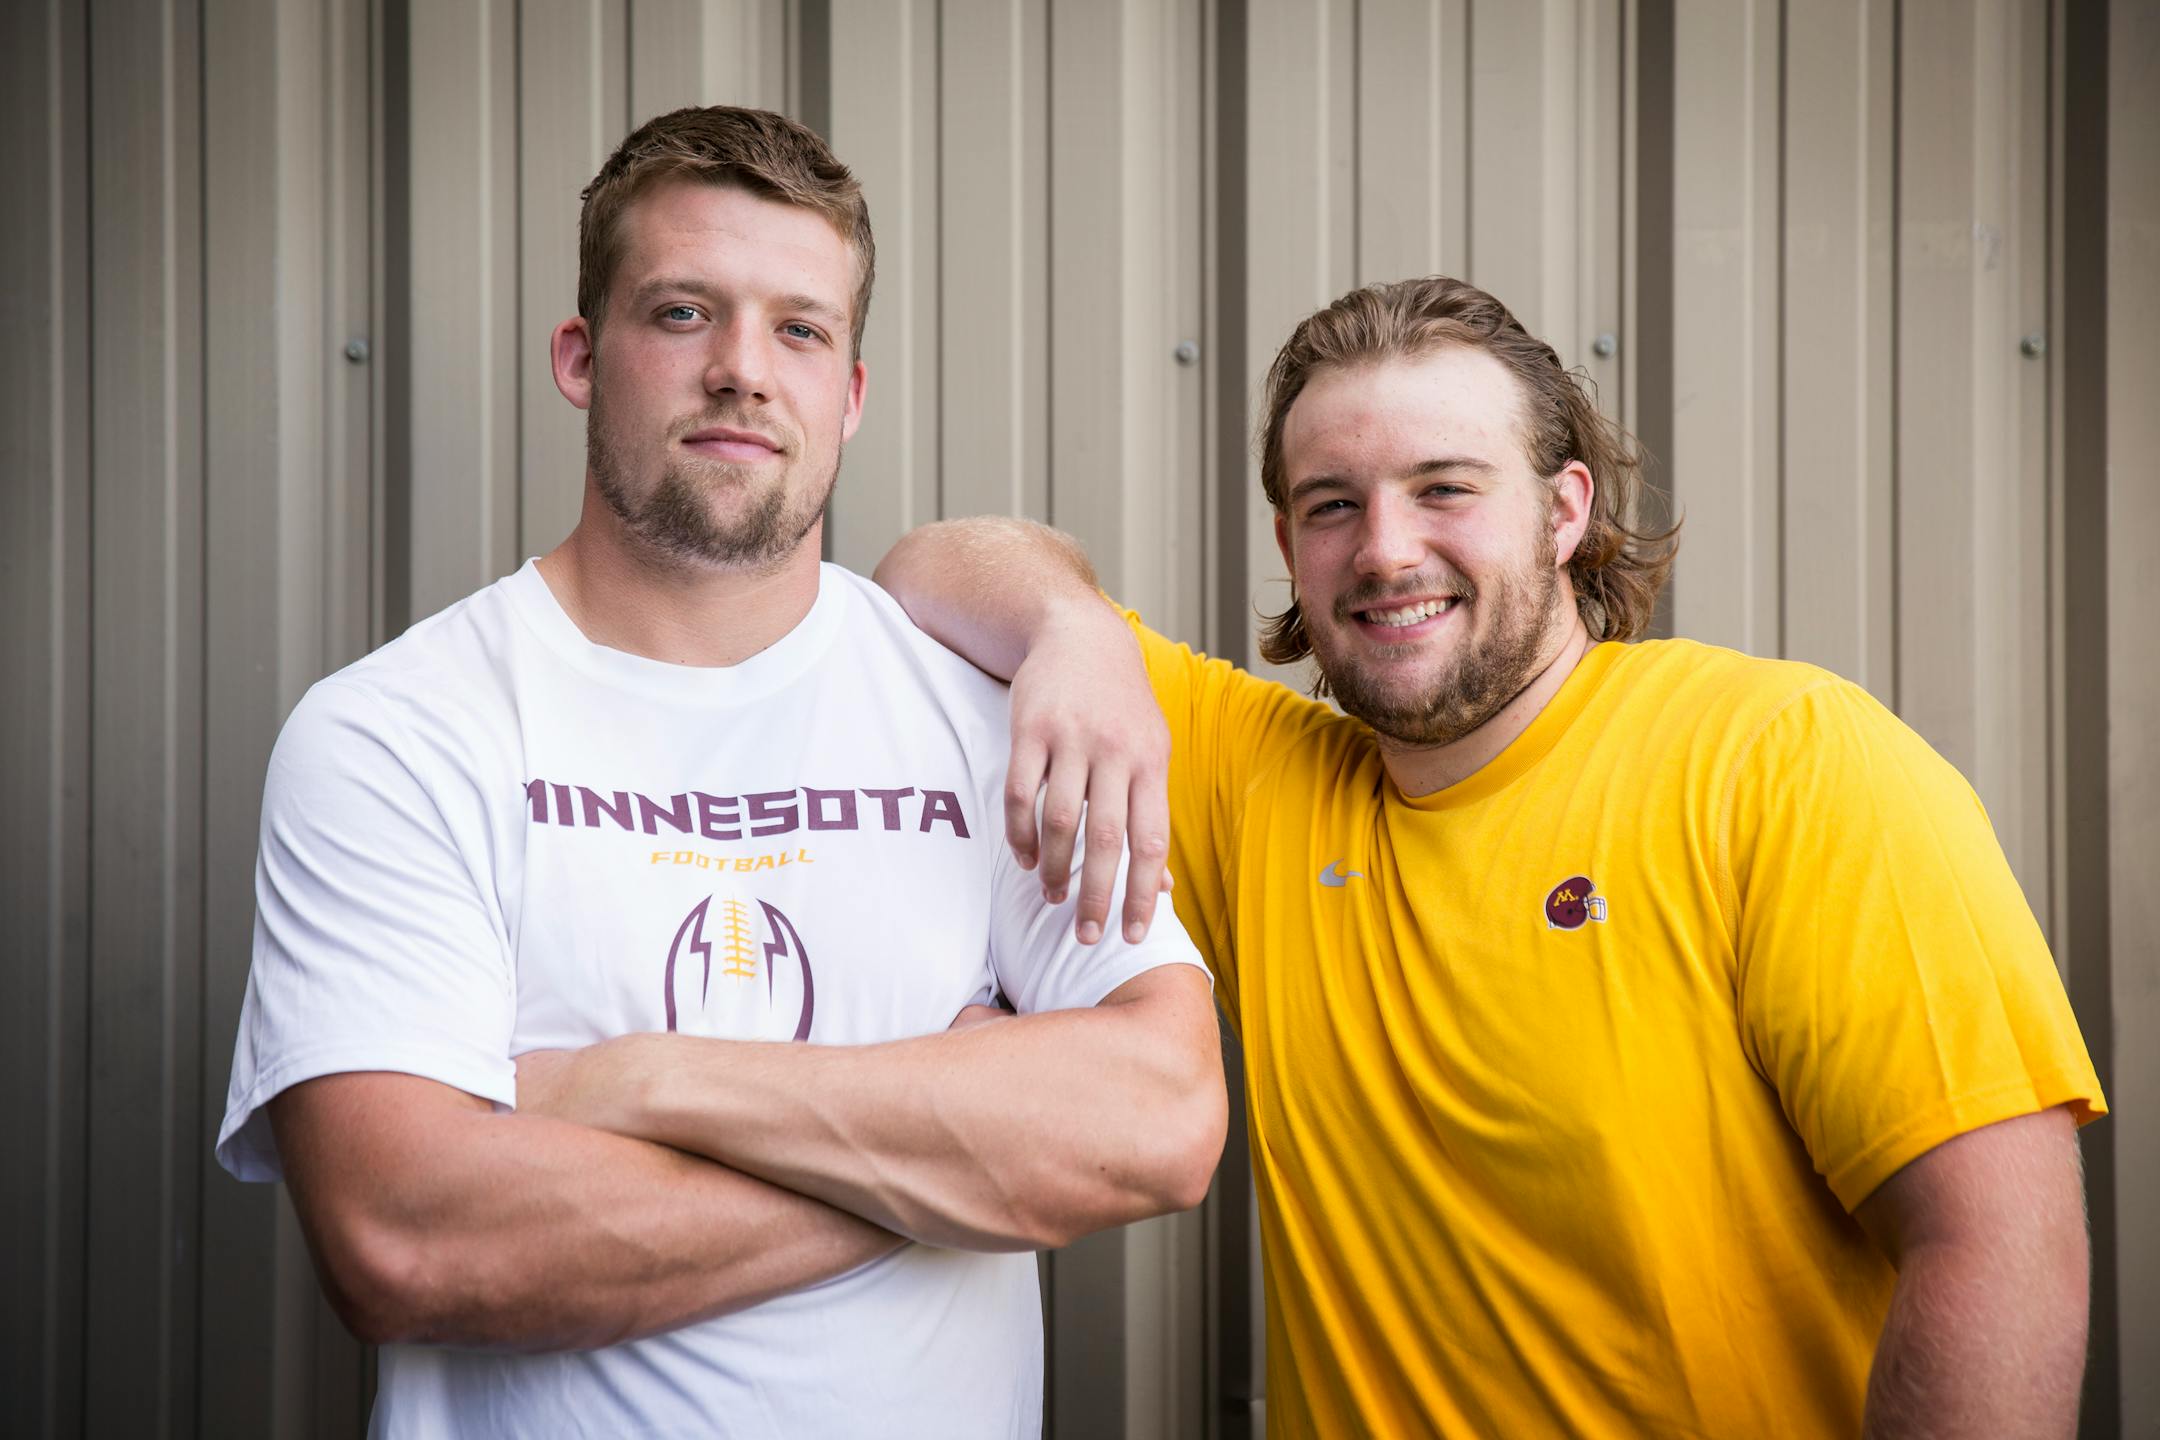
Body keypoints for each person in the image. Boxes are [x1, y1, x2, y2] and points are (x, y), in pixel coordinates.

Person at [875, 275, 2107, 1438]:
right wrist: (1072, 628)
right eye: (1332, 505)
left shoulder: (1781, 763)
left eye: (1444, 489)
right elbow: (923, 571)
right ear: (1289, 541)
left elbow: (2003, 1241)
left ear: (1565, 510)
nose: (1384, 551)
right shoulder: (1263, 783)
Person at [214, 105, 1224, 1440]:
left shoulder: (985, 717)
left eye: (799, 329)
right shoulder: (398, 734)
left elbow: (1160, 1121)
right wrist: (956, 1144)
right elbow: (408, 1246)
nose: (743, 370)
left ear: (849, 392)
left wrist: (637, 1083)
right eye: (685, 313)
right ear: (583, 356)